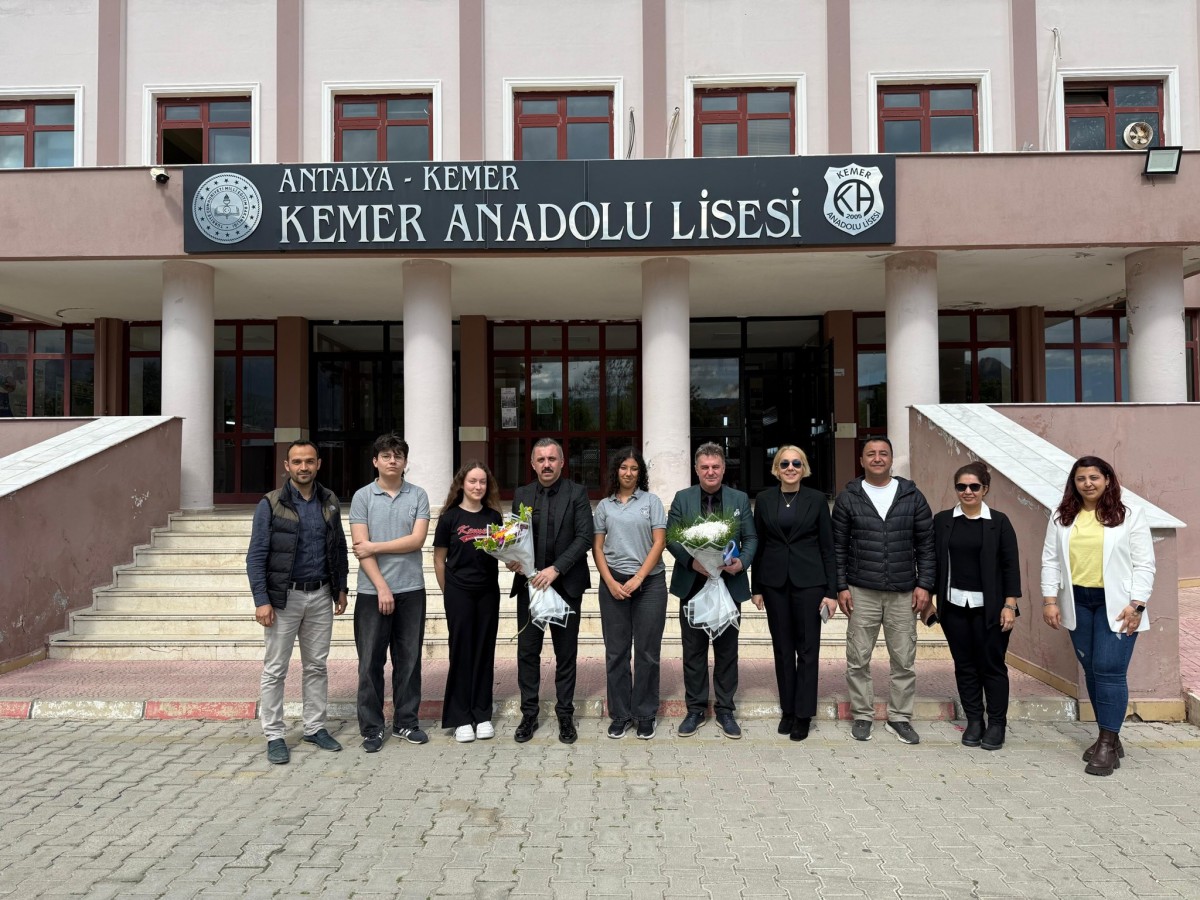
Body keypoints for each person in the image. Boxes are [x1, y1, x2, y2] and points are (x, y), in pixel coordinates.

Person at [1041, 455, 1155, 776]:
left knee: (1109, 668)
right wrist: (1050, 600)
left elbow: (1144, 564)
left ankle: (1106, 742)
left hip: (1117, 604)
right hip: (1077, 601)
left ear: (1107, 479)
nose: (1087, 483)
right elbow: (1050, 560)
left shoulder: (1128, 515)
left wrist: (1138, 605)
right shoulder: (1062, 515)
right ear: (1073, 483)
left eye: (1094, 477)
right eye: (1081, 478)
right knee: (1092, 668)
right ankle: (1111, 735)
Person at [246, 440, 349, 765]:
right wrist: (262, 600)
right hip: (283, 599)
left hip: (320, 595)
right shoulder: (271, 503)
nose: (303, 467)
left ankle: (315, 727)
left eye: (309, 461)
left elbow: (339, 548)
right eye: (297, 462)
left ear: (318, 464)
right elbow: (256, 555)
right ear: (286, 467)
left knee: (316, 666)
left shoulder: (329, 500)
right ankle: (274, 734)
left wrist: (341, 588)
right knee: (276, 669)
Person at [833, 436, 935, 745]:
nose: (877, 458)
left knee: (903, 659)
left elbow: (926, 546)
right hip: (861, 589)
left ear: (891, 459)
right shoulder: (849, 497)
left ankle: (899, 718)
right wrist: (840, 586)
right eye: (871, 454)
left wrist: (924, 585)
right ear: (861, 461)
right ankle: (863, 715)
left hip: (903, 590)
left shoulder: (911, 496)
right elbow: (837, 547)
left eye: (883, 454)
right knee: (858, 657)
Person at [666, 442, 757, 739]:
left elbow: (751, 538)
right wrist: (692, 562)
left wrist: (740, 563)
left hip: (728, 585)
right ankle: (695, 710)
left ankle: (726, 710)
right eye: (704, 467)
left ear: (723, 468)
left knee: (727, 651)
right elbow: (672, 538)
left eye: (715, 466)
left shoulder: (739, 499)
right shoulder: (682, 498)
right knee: (693, 651)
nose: (710, 472)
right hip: (692, 584)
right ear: (696, 469)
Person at [349, 433, 431, 752]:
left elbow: (416, 541)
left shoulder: (418, 496)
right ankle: (371, 728)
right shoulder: (362, 497)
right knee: (370, 661)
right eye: (386, 455)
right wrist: (382, 586)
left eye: (398, 455)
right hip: (372, 593)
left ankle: (406, 723)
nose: (392, 460)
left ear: (405, 462)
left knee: (408, 659)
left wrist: (376, 546)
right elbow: (360, 548)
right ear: (375, 461)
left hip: (412, 590)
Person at [750, 445, 837, 742]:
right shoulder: (763, 500)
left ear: (804, 468)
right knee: (783, 649)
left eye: (796, 463)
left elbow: (828, 547)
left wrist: (832, 591)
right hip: (774, 583)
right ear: (776, 467)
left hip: (810, 583)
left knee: (808, 649)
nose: (790, 468)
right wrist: (756, 587)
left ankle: (803, 714)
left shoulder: (816, 500)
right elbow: (758, 544)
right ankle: (788, 709)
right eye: (784, 463)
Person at [932, 462, 1021, 752]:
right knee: (965, 666)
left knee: (992, 666)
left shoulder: (999, 522)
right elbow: (933, 563)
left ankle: (996, 723)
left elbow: (1011, 567)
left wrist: (1010, 604)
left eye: (974, 486)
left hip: (992, 609)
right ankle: (974, 720)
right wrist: (929, 600)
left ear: (985, 489)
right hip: (954, 606)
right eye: (961, 486)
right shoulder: (944, 520)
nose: (967, 492)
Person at [510, 438, 593, 744]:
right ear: (532, 464)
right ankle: (528, 714)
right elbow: (514, 538)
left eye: (552, 459)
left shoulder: (577, 493)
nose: (546, 464)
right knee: (528, 653)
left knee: (566, 655)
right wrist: (513, 561)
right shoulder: (522, 494)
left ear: (561, 462)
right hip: (531, 587)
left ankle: (565, 716)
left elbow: (584, 537)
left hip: (566, 586)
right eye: (540, 460)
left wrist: (556, 569)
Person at [593, 448, 668, 741]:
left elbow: (659, 542)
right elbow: (597, 547)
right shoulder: (604, 506)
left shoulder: (652, 502)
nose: (628, 473)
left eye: (634, 468)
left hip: (649, 584)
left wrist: (639, 578)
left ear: (640, 473)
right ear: (616, 471)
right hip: (613, 584)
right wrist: (609, 580)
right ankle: (621, 715)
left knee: (648, 652)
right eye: (623, 467)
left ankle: (645, 714)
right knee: (616, 653)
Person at [433, 461, 504, 744]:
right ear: (462, 483)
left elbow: (502, 553)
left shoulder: (493, 517)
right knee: (461, 652)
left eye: (483, 482)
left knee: (485, 651)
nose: (478, 487)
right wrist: (447, 591)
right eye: (473, 481)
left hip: (488, 591)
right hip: (458, 593)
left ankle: (482, 713)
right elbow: (439, 559)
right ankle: (461, 717)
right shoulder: (449, 518)